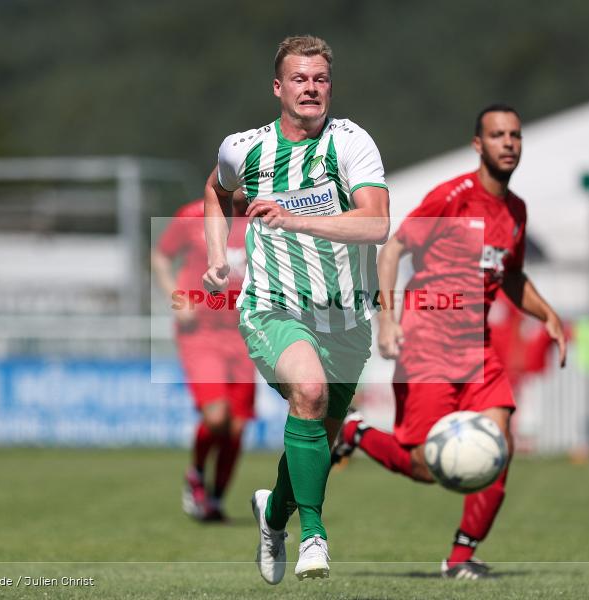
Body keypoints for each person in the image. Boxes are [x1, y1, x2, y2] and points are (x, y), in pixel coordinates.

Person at [331, 104, 567, 579]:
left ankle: (461, 559)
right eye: (497, 135)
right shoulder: (453, 196)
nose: (508, 143)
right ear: (478, 145)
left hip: (477, 350)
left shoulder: (515, 210)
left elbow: (512, 275)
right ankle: (352, 431)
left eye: (515, 135)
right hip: (427, 344)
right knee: (423, 466)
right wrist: (388, 320)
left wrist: (549, 315)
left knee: (499, 449)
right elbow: (394, 248)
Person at [201, 35, 390, 583]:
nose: (312, 88)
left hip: (347, 319)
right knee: (308, 392)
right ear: (279, 88)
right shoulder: (245, 148)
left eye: (321, 79)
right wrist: (218, 254)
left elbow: (376, 223)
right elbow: (216, 190)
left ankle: (273, 511)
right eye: (301, 79)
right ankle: (313, 538)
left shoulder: (352, 143)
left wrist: (293, 216)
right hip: (272, 307)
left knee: (318, 438)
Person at [151, 194, 254, 522]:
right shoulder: (194, 214)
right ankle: (196, 473)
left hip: (245, 334)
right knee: (216, 417)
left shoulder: (262, 216)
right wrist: (176, 297)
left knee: (236, 427)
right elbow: (160, 256)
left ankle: (216, 498)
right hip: (201, 333)